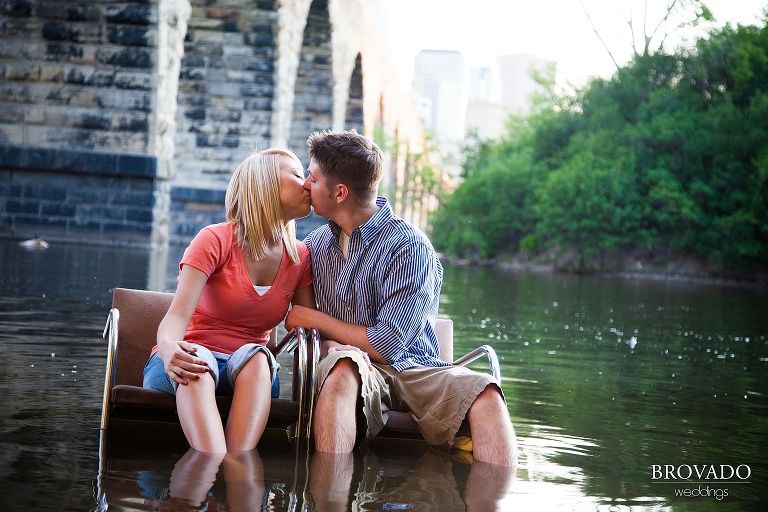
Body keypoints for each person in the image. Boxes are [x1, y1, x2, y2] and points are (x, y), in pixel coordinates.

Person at [285, 130, 517, 466]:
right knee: (340, 372)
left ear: (339, 192)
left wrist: (313, 320)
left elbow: (386, 345)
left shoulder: (410, 247)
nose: (306, 183)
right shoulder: (315, 246)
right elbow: (309, 338)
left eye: (313, 177)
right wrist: (327, 346)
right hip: (352, 367)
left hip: (416, 370)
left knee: (487, 394)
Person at [143, 148, 315, 454]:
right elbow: (176, 318)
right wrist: (169, 349)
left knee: (260, 358)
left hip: (251, 372)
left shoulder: (300, 257)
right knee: (197, 359)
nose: (308, 184)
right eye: (298, 174)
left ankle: (238, 467)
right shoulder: (214, 240)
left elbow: (307, 322)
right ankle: (212, 464)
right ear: (265, 184)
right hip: (187, 361)